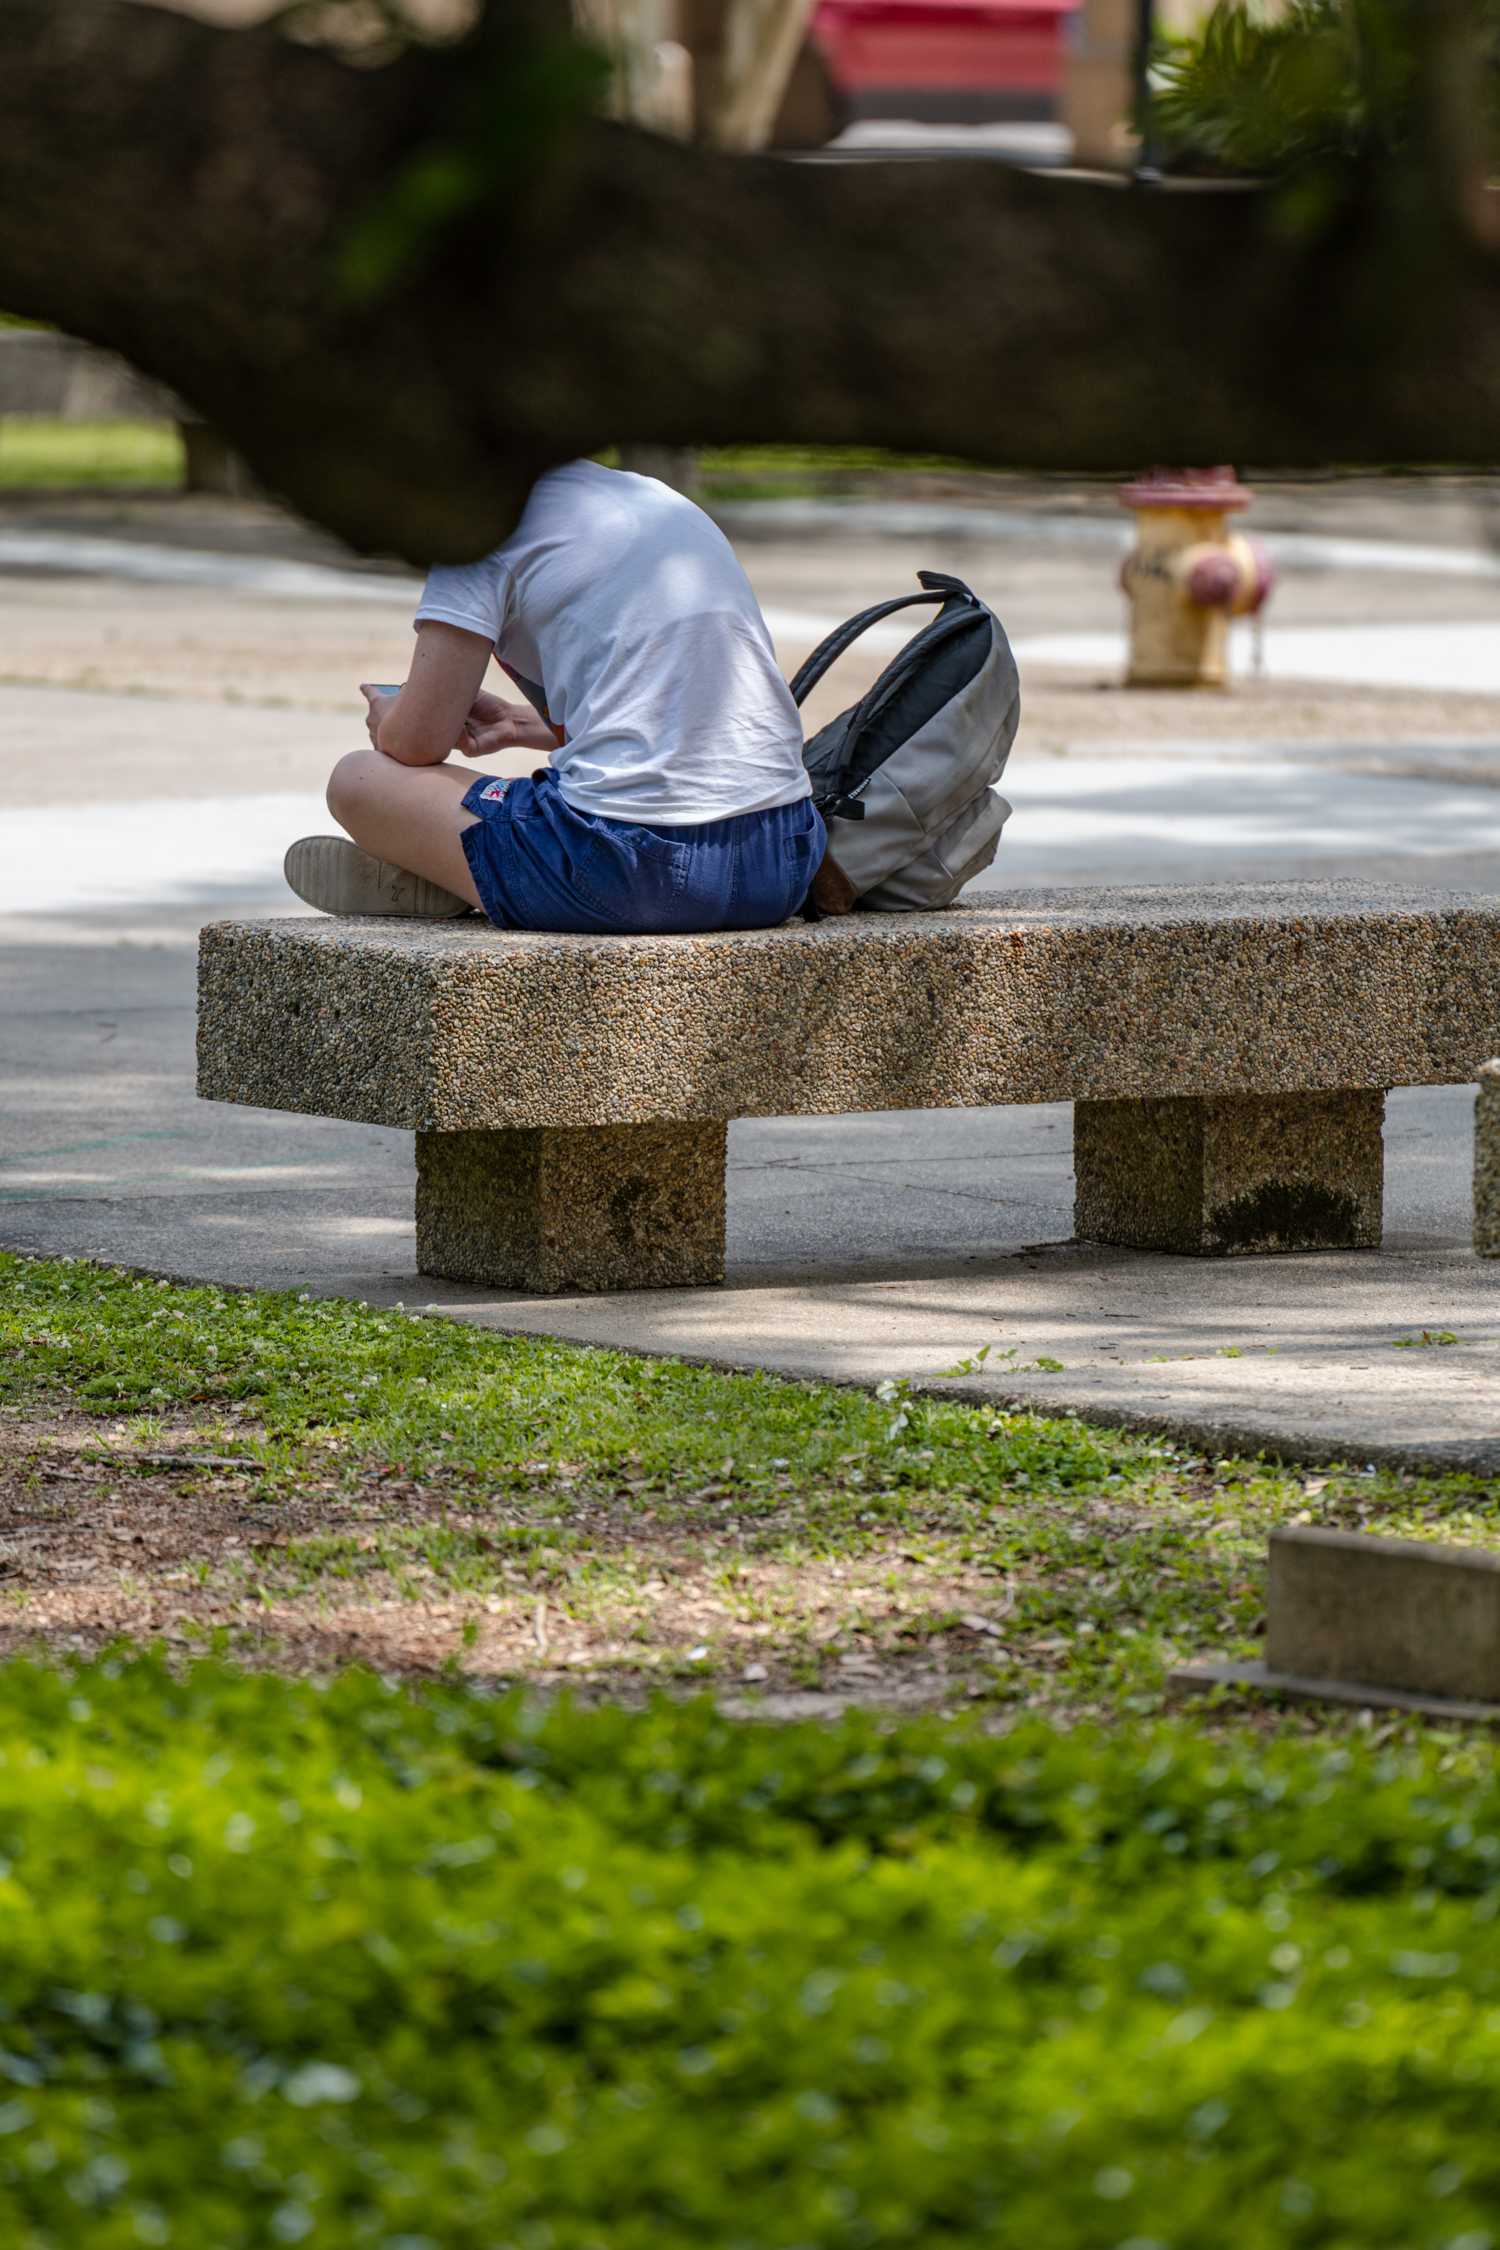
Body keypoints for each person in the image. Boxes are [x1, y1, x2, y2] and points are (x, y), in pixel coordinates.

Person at [284, 459, 825, 933]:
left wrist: (389, 718)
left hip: (629, 869)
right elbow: (687, 707)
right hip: (783, 856)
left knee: (358, 778)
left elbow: (416, 743)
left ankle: (462, 872)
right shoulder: (658, 501)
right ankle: (477, 874)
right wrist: (520, 727)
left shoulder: (479, 530)